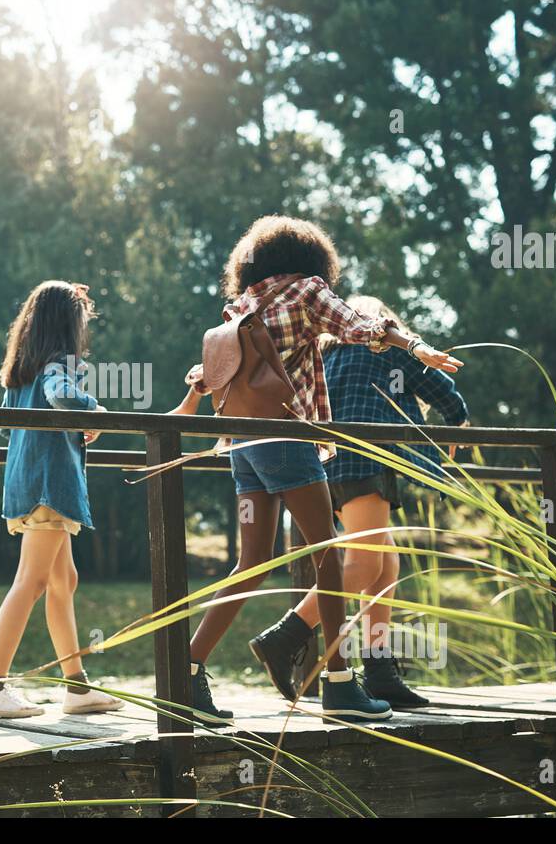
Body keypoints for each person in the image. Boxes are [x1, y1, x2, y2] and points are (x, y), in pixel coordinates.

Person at [169, 216, 462, 723]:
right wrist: (415, 347)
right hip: (287, 440)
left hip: (242, 446)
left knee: (251, 562)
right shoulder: (308, 292)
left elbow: (212, 374)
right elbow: (362, 326)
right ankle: (340, 684)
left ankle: (186, 672)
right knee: (329, 556)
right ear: (311, 258)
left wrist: (191, 398)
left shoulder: (241, 305)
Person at [0, 281, 123, 719]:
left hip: (28, 483)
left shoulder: (21, 371)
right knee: (32, 582)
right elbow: (61, 396)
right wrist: (95, 412)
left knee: (63, 581)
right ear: (66, 327)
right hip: (49, 486)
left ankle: (76, 687)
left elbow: (6, 425)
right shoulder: (59, 365)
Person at [320, 295, 469, 709]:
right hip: (366, 462)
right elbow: (437, 385)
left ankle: (379, 669)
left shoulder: (329, 353)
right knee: (365, 564)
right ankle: (288, 633)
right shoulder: (387, 348)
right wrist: (459, 419)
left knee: (386, 561)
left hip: (328, 468)